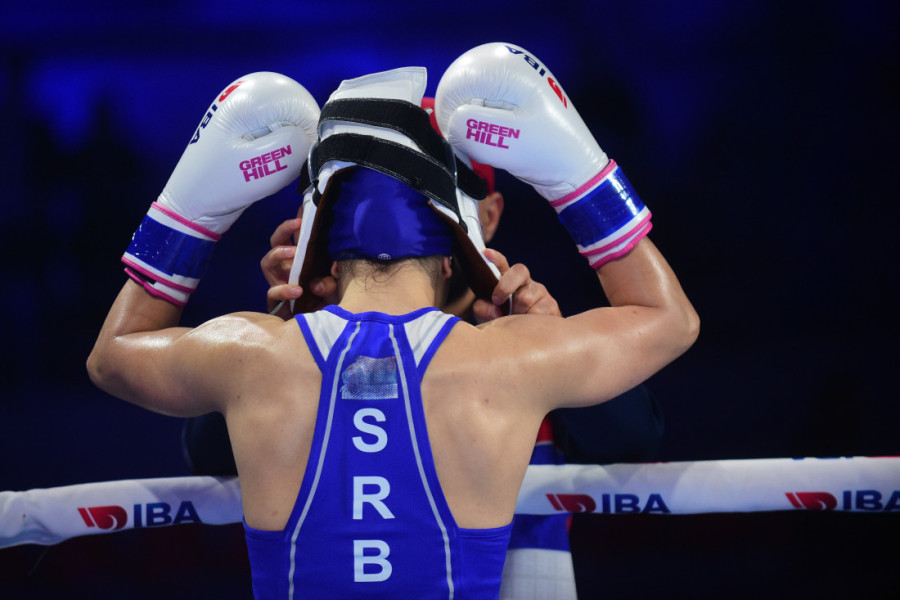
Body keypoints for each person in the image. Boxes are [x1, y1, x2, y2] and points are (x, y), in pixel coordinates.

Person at [89, 44, 698, 600]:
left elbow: (113, 355)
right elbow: (669, 321)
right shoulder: (512, 360)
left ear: (318, 230)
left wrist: (188, 218)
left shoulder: (256, 352)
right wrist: (581, 183)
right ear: (462, 229)